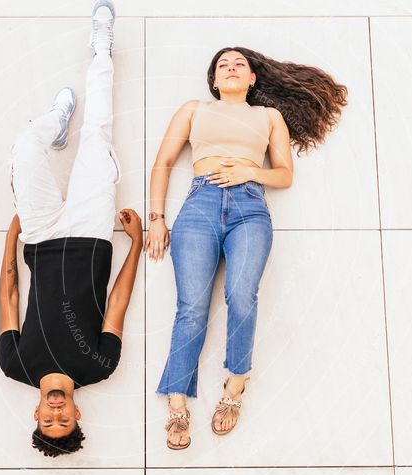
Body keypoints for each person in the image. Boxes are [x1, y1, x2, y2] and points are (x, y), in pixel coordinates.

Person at [146, 46, 347, 449]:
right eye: (224, 65)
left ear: (253, 78)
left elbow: (285, 174)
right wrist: (156, 219)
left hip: (249, 208)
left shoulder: (268, 117)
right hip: (200, 204)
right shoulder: (193, 109)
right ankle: (177, 402)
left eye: (240, 64)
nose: (232, 68)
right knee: (191, 307)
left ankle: (234, 385)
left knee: (241, 296)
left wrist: (248, 171)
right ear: (214, 80)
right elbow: (163, 163)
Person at [0, 0, 142, 457]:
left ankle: (54, 124)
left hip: (38, 239)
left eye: (49, 421)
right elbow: (117, 303)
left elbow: (9, 294)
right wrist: (135, 244)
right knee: (98, 135)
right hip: (92, 234)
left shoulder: (15, 365)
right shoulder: (99, 365)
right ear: (78, 415)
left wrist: (11, 237)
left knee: (25, 148)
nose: (56, 414)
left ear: (35, 415)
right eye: (64, 421)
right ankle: (102, 49)